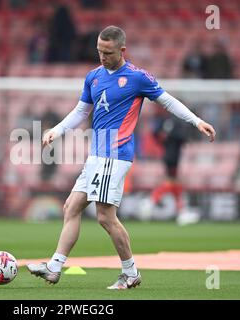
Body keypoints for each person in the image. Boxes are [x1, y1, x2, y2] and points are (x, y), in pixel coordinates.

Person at [27, 26, 216, 289]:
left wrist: (197, 121)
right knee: (71, 207)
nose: (102, 57)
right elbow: (81, 111)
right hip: (97, 154)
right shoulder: (93, 77)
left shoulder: (137, 77)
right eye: (99, 51)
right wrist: (56, 130)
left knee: (104, 216)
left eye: (108, 52)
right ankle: (54, 267)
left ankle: (130, 272)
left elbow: (168, 101)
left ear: (122, 50)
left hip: (114, 153)